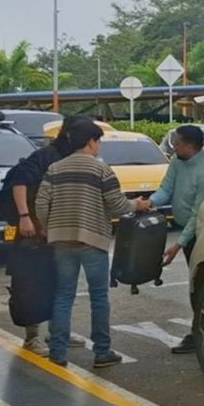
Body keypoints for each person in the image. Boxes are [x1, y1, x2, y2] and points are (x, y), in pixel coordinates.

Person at [36, 121, 151, 368]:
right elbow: (119, 206)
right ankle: (102, 352)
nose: (99, 146)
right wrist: (137, 205)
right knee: (98, 297)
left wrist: (48, 228)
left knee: (63, 295)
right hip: (93, 240)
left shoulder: (55, 169)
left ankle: (57, 352)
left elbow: (41, 203)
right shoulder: (101, 171)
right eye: (98, 141)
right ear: (90, 142)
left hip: (61, 240)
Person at [4, 114, 94, 357]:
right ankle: (32, 337)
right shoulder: (44, 156)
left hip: (60, 233)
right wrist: (25, 217)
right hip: (32, 233)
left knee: (62, 282)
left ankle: (57, 330)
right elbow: (20, 181)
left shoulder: (75, 157)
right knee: (30, 284)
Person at [148, 124, 204, 354]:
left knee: (201, 285)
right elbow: (166, 189)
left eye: (177, 143)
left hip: (201, 234)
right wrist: (148, 202)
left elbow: (197, 215)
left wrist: (179, 243)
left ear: (190, 146)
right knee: (194, 285)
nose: (173, 147)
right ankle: (198, 330)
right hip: (186, 231)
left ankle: (198, 332)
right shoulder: (179, 161)